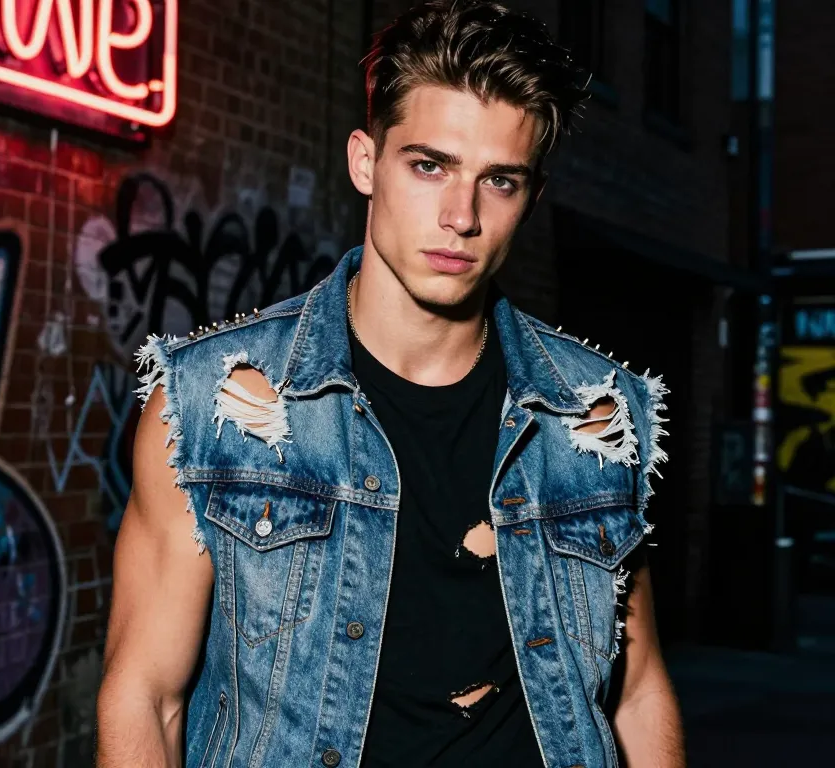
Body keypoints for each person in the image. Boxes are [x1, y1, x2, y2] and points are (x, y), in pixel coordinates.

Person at [96, 2, 686, 766]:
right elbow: (146, 695)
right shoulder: (211, 403)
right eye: (429, 165)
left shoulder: (597, 416)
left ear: (531, 199)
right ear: (365, 162)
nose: (461, 215)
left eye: (498, 181)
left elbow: (637, 694)